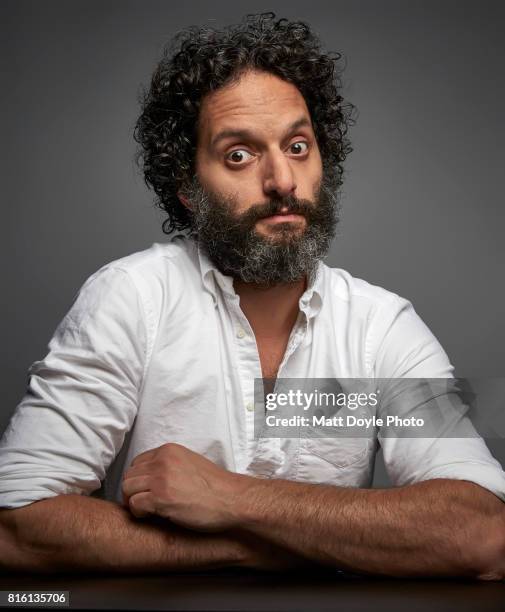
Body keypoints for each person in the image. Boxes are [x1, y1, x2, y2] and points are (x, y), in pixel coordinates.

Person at [1, 12, 504, 579]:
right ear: (187, 189)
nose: (282, 181)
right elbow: (18, 524)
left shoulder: (380, 327)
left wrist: (231, 499)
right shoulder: (133, 297)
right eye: (239, 154)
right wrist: (267, 548)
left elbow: (483, 535)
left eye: (297, 145)